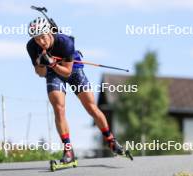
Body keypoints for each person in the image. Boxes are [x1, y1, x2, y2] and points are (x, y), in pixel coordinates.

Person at [26, 17, 125, 164]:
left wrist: (52, 63)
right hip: (53, 72)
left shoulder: (65, 42)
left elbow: (66, 72)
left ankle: (110, 139)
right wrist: (41, 63)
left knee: (91, 107)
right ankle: (68, 150)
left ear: (49, 32)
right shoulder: (32, 46)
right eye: (36, 39)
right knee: (58, 108)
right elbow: (40, 73)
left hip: (72, 70)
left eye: (42, 37)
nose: (40, 41)